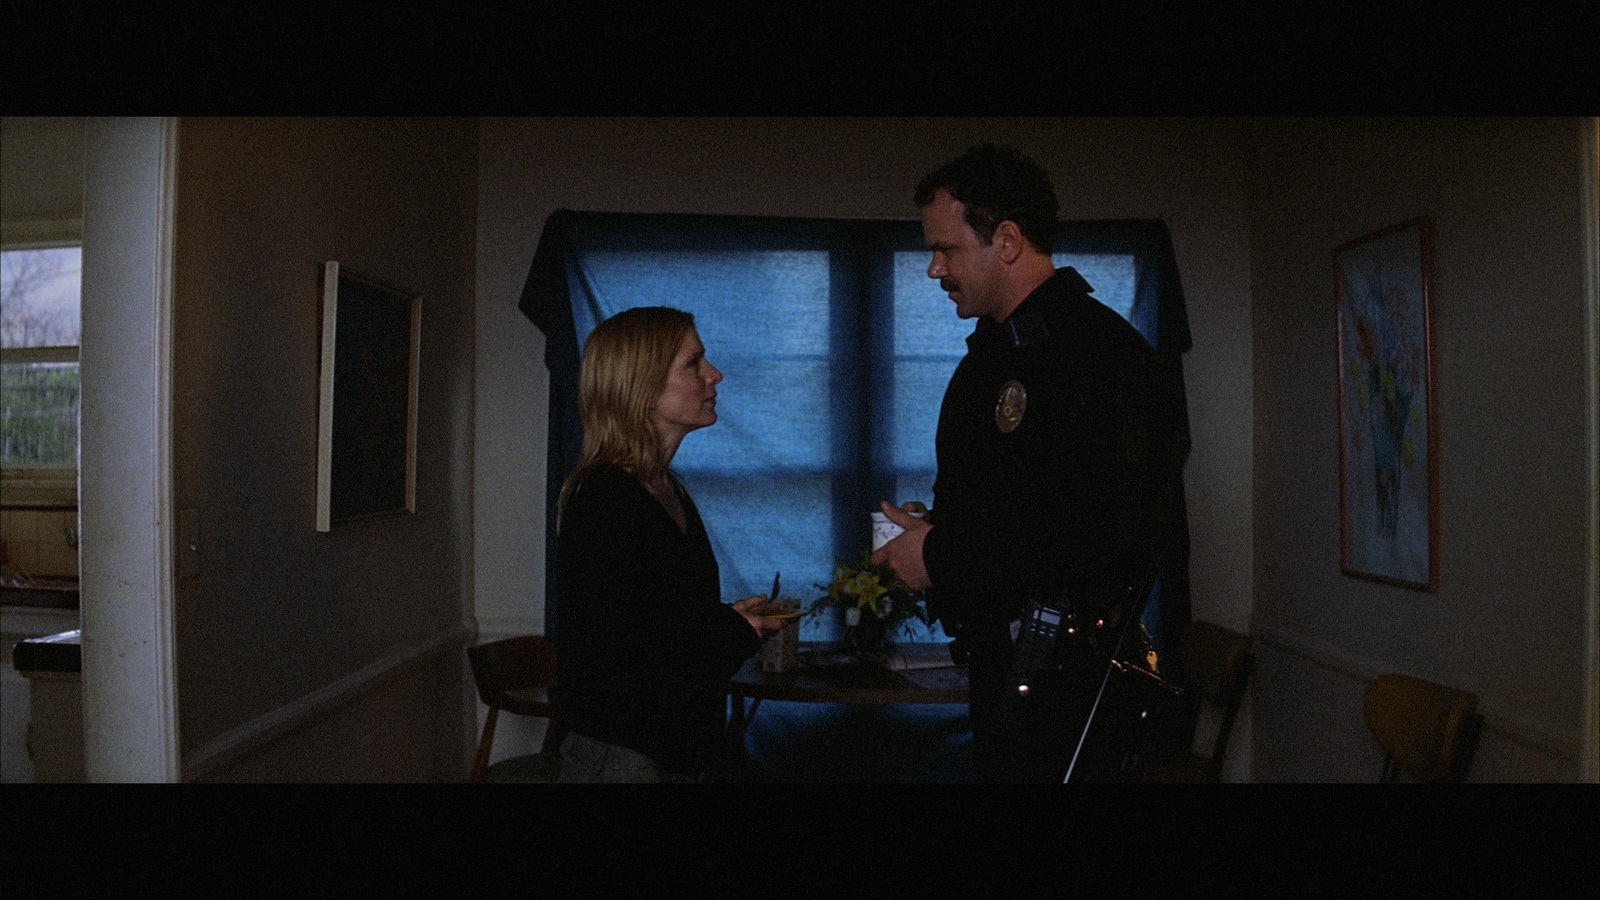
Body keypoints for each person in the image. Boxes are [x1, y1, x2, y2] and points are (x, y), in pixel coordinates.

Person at [871, 144, 1183, 783]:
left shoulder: (1099, 358)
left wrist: (939, 556)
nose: (934, 269)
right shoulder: (999, 356)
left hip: (1069, 680)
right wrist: (934, 531)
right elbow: (1022, 498)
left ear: (1007, 240)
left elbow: (1099, 531)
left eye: (947, 249)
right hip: (1009, 668)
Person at [555, 305, 785, 782]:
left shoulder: (666, 488)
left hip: (669, 749)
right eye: (693, 364)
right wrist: (736, 630)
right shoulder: (604, 498)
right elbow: (639, 657)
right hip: (624, 755)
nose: (715, 375)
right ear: (642, 388)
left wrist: (729, 621)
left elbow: (662, 619)